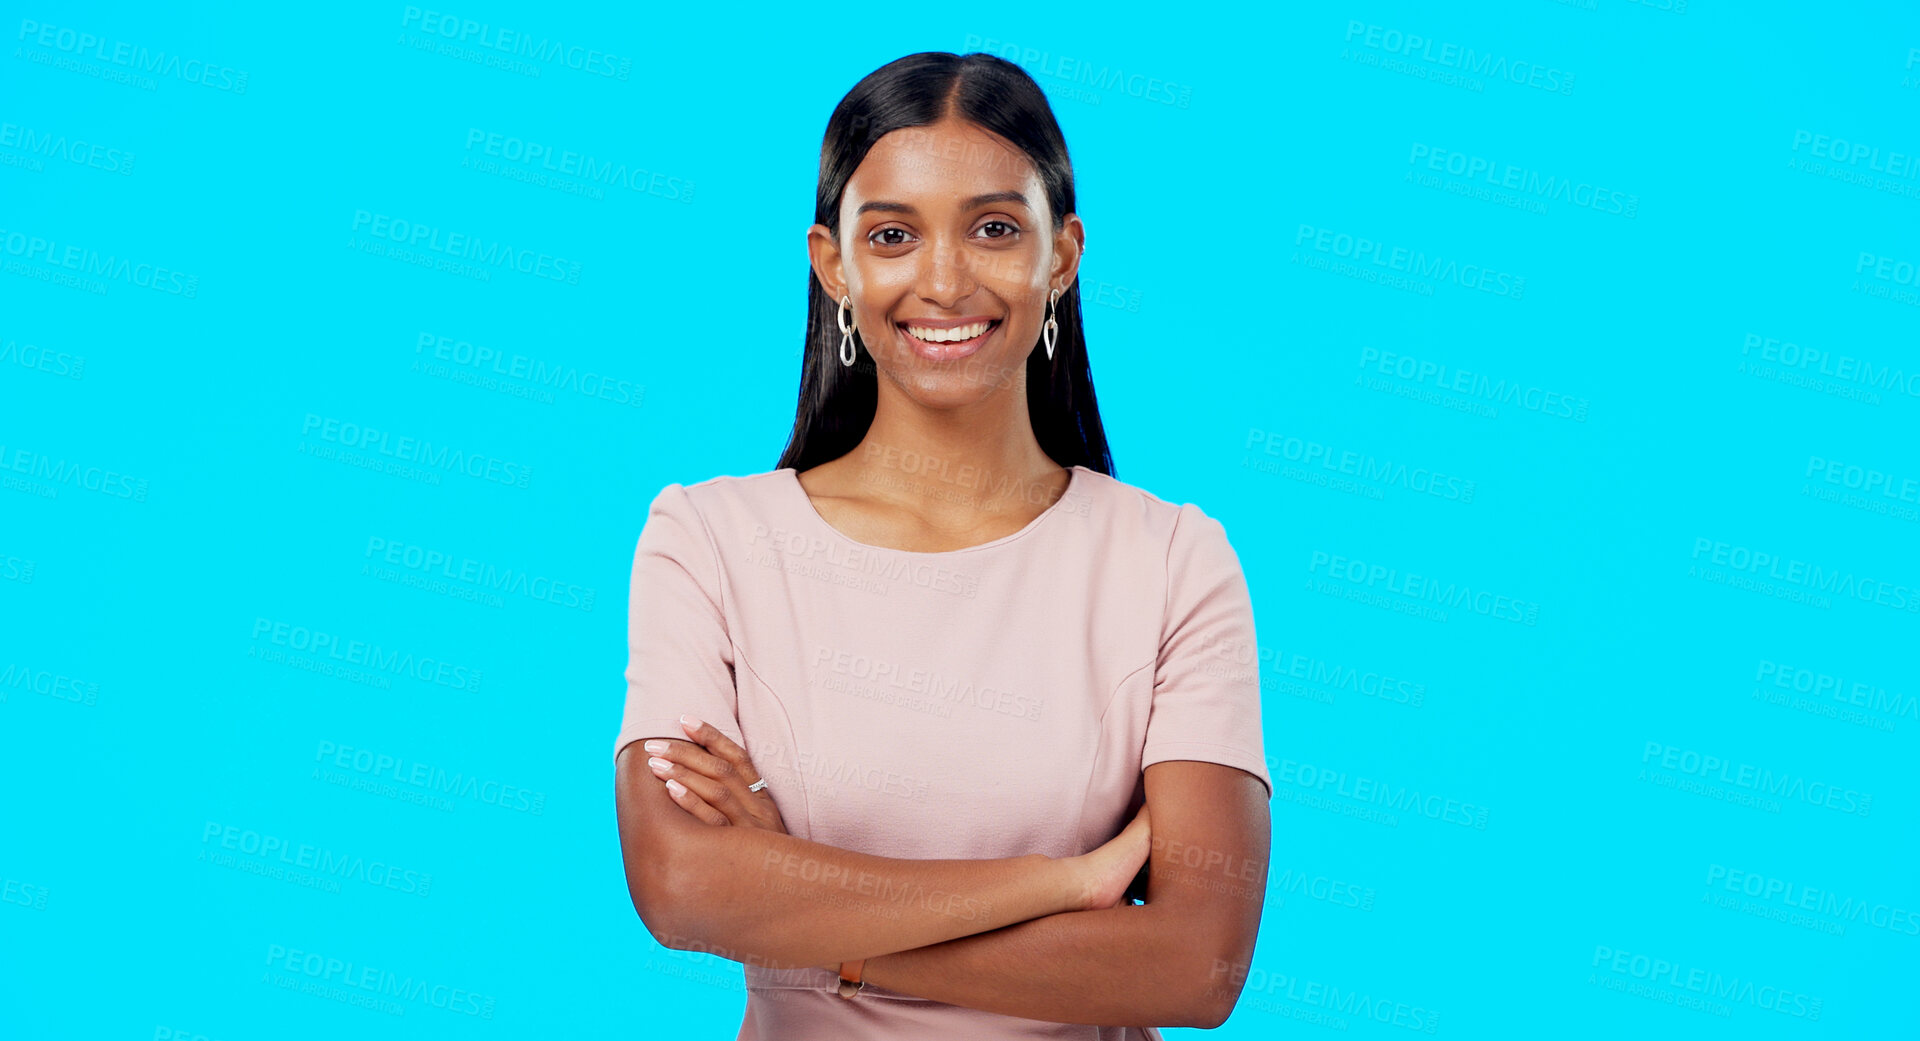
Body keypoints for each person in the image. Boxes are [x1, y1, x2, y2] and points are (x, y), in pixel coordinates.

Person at [613, 51, 1272, 1040]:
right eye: (892, 235)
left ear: (1063, 255)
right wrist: (1056, 886)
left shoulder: (1172, 562)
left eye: (996, 228)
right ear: (834, 264)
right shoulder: (709, 541)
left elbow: (1198, 964)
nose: (945, 279)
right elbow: (679, 884)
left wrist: (808, 911)